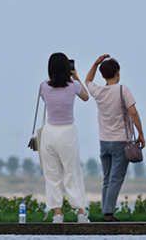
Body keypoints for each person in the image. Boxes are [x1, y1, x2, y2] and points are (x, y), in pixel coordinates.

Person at [85, 53, 146, 222]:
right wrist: (141, 133)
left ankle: (106, 211)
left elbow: (88, 80)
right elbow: (133, 112)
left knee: (107, 178)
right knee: (116, 178)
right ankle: (108, 214)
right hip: (121, 142)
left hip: (103, 141)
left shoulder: (98, 91)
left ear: (103, 75)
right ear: (118, 72)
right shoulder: (122, 89)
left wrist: (95, 63)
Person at [38, 52, 90, 224]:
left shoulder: (43, 87)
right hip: (67, 132)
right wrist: (76, 77)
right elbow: (85, 97)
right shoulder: (74, 85)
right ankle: (81, 213)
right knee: (72, 172)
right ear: (68, 68)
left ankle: (57, 214)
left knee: (52, 174)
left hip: (49, 132)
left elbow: (46, 100)